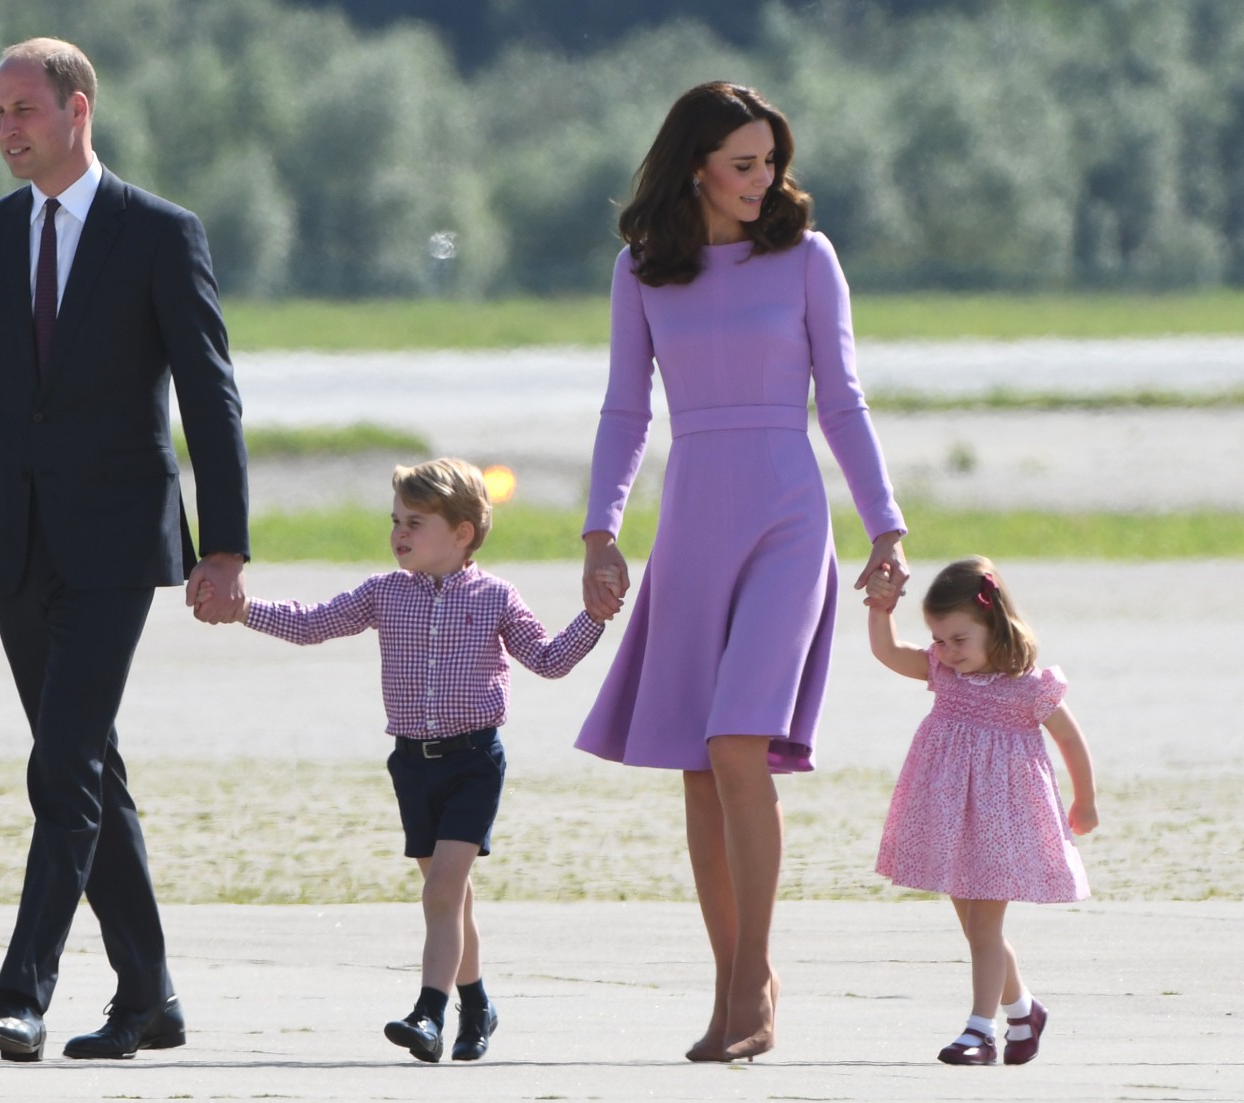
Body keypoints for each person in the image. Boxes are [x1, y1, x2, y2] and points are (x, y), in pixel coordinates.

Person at [0, 38, 250, 1062]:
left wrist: (224, 544)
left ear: (78, 109)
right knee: (85, 765)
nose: (7, 130)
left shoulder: (159, 233)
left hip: (120, 539)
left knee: (63, 761)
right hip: (14, 536)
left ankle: (21, 993)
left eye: (24, 110)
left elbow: (211, 394)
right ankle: (151, 995)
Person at [575, 80, 909, 1064]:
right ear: (696, 168)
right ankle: (728, 985)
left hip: (786, 520)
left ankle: (755, 978)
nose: (764, 179)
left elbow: (841, 400)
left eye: (770, 162)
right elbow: (623, 409)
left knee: (735, 745)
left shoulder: (806, 257)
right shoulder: (641, 270)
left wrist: (885, 526)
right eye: (743, 164)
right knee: (697, 767)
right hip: (691, 523)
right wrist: (600, 530)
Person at [205, 458, 607, 1063]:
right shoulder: (384, 592)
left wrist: (595, 616)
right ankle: (478, 1006)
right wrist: (243, 609)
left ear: (463, 532)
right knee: (451, 897)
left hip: (473, 762)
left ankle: (428, 1014)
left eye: (415, 523)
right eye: (396, 521)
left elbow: (549, 660)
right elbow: (312, 624)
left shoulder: (496, 597)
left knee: (443, 891)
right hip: (413, 765)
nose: (399, 533)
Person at [866, 556, 1098, 1066]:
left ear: (994, 624)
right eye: (939, 640)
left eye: (959, 639)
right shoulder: (942, 671)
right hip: (952, 819)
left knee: (985, 928)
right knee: (976, 928)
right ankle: (1024, 1011)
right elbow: (887, 651)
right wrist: (881, 609)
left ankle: (980, 1031)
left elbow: (1069, 739)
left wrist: (1085, 799)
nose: (947, 651)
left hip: (1002, 823)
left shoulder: (1028, 687)